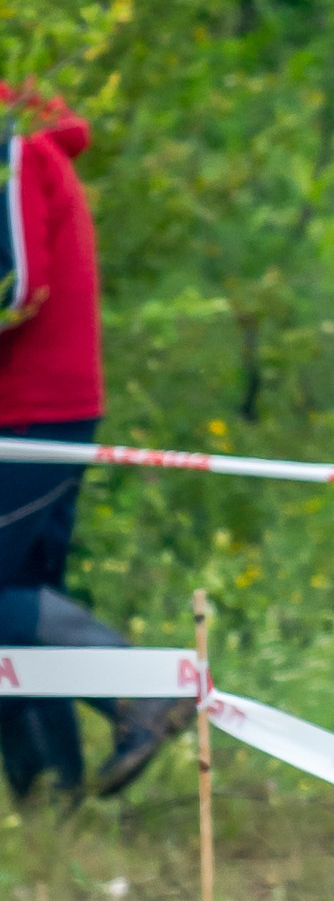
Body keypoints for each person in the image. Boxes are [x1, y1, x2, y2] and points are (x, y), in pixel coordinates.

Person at [0, 80, 182, 803]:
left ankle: (142, 688)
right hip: (31, 406)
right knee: (22, 592)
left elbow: (15, 286)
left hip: (35, 407)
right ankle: (48, 787)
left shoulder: (14, 146)